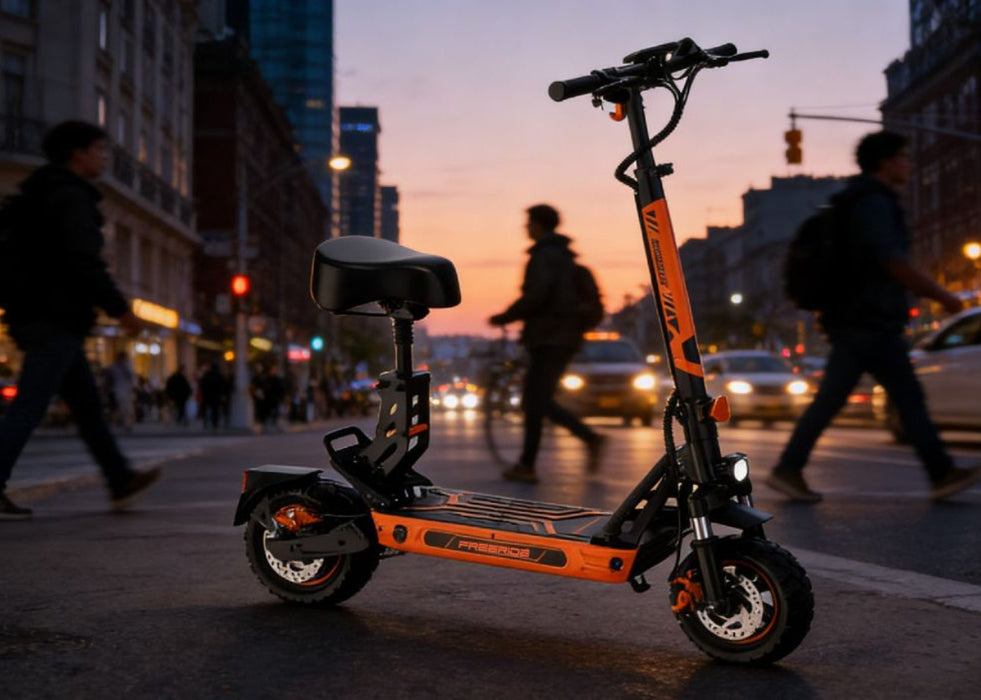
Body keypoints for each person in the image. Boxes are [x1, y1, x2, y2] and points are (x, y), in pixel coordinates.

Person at [766, 131, 981, 503]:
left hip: (857, 319)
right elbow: (890, 260)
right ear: (885, 162)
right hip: (869, 320)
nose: (909, 164)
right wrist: (943, 295)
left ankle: (790, 467)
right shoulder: (873, 203)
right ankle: (940, 472)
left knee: (845, 399)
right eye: (904, 157)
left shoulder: (855, 201)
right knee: (904, 398)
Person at [0, 120, 161, 520]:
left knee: (87, 407)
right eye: (99, 149)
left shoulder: (41, 192)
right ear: (78, 153)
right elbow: (84, 262)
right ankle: (119, 477)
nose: (104, 157)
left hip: (44, 314)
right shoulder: (69, 197)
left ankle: (119, 478)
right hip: (54, 316)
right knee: (29, 407)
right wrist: (121, 311)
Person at [489, 204, 606, 483]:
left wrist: (506, 315)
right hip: (562, 339)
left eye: (529, 222)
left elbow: (538, 294)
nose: (526, 227)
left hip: (549, 338)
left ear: (539, 224)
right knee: (538, 401)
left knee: (535, 401)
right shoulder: (565, 257)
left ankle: (532, 463)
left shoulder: (544, 256)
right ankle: (583, 440)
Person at [104, 351, 136, 430]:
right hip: (117, 391)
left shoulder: (127, 368)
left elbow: (132, 379)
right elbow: (108, 380)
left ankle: (126, 424)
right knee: (118, 408)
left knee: (125, 409)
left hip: (124, 391)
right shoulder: (113, 368)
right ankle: (121, 424)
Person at [199, 362, 226, 431]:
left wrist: (203, 394)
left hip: (207, 396)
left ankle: (206, 422)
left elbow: (202, 385)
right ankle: (214, 423)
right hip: (216, 396)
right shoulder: (219, 376)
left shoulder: (207, 375)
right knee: (215, 410)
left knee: (207, 409)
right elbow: (223, 386)